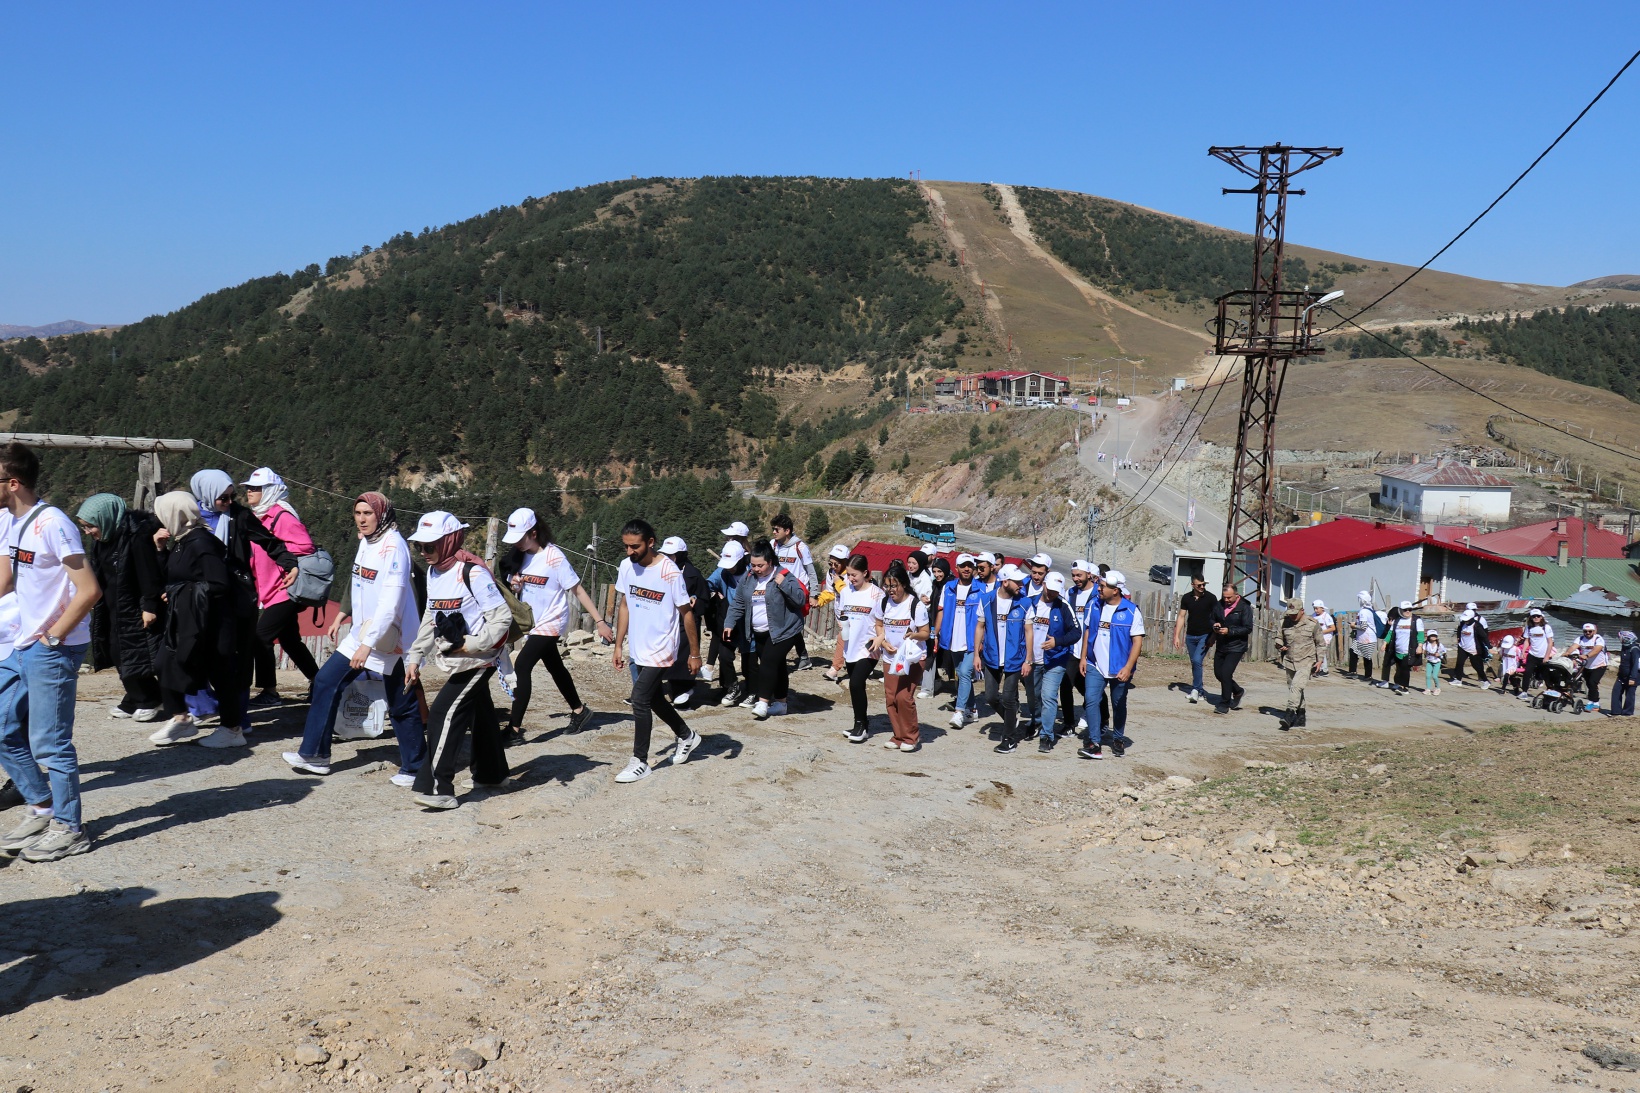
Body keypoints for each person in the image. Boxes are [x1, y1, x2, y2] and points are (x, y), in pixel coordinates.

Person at [0, 442, 103, 862]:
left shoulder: (53, 523)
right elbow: (8, 578)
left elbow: (90, 589)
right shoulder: (12, 520)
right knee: (4, 727)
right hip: (22, 643)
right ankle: (42, 807)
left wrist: (55, 636)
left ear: (13, 482)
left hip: (51, 647)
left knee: (50, 742)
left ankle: (69, 827)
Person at [286, 492, 426, 785]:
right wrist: (343, 615)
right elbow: (358, 581)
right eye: (357, 513)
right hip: (364, 632)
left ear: (382, 514)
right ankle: (315, 755)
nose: (361, 519)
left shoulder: (394, 548)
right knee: (325, 681)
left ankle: (416, 768)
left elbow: (391, 602)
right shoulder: (367, 542)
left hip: (393, 638)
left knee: (401, 703)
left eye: (368, 514)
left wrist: (367, 644)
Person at [400, 511, 513, 808]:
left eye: (430, 546)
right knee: (482, 713)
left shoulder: (472, 573)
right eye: (420, 547)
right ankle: (492, 774)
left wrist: (470, 645)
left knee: (442, 712)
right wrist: (415, 657)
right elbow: (431, 617)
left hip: (480, 659)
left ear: (449, 541)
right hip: (459, 658)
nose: (424, 553)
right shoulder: (434, 572)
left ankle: (437, 788)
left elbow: (501, 620)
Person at [189, 469, 298, 736]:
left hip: (235, 596)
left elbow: (268, 541)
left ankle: (238, 716)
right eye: (222, 498)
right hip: (200, 597)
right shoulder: (190, 518)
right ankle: (204, 706)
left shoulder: (239, 517)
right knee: (195, 652)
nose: (229, 502)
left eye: (231, 496)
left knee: (236, 658)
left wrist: (289, 563)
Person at [500, 507, 609, 742]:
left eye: (520, 538)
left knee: (522, 666)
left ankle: (514, 730)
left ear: (534, 533)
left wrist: (599, 621)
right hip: (532, 622)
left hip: (551, 621)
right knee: (555, 667)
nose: (517, 543)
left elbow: (577, 589)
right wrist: (515, 584)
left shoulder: (554, 557)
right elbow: (512, 583)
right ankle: (580, 711)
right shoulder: (517, 556)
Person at [148, 492, 247, 748]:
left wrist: (178, 594)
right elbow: (173, 578)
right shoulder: (182, 541)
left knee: (221, 673)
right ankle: (181, 719)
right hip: (191, 621)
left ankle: (233, 730)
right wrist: (160, 551)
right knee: (164, 663)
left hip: (212, 624)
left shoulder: (201, 543)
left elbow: (218, 584)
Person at [610, 519, 704, 782]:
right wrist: (618, 645)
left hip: (662, 647)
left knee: (639, 699)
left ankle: (640, 761)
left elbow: (687, 613)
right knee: (652, 699)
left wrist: (695, 654)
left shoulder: (669, 572)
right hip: (639, 646)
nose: (629, 552)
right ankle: (687, 736)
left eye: (635, 547)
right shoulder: (626, 567)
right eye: (626, 546)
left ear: (650, 543)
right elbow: (625, 605)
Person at [76, 493, 164, 722]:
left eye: (90, 526)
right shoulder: (104, 539)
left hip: (133, 605)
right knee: (116, 651)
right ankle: (135, 696)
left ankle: (149, 698)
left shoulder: (135, 537)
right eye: (84, 527)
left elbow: (148, 573)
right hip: (112, 604)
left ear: (105, 519)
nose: (88, 532)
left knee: (135, 653)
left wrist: (150, 606)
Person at [241, 468, 321, 706]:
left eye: (256, 488)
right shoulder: (260, 517)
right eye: (248, 487)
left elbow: (305, 546)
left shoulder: (281, 516)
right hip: (271, 589)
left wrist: (283, 559)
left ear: (269, 491)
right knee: (289, 641)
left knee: (260, 637)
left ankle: (270, 691)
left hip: (286, 589)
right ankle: (319, 681)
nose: (249, 491)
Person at [722, 538, 806, 721]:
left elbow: (800, 599)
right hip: (759, 631)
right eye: (753, 565)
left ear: (770, 562)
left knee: (768, 662)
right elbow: (738, 602)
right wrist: (729, 623)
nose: (756, 569)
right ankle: (781, 704)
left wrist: (783, 584)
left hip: (785, 630)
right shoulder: (748, 578)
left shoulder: (784, 574)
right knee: (778, 666)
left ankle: (763, 702)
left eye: (760, 565)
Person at [1079, 569, 1144, 758]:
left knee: (1118, 703)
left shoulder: (1131, 611)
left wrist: (1128, 667)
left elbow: (1137, 642)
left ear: (1115, 590)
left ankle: (1118, 738)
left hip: (1120, 667)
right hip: (1095, 664)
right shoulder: (1093, 605)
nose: (1099, 588)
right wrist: (1084, 657)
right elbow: (1088, 632)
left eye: (1103, 586)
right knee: (1091, 700)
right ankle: (1094, 743)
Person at [976, 564, 1030, 754]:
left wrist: (1028, 659)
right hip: (991, 656)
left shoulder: (1024, 602)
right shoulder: (987, 600)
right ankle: (1010, 720)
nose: (1021, 584)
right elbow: (980, 627)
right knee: (990, 696)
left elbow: (1028, 631)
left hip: (1015, 658)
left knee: (1008, 698)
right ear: (1005, 581)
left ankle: (1009, 739)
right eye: (1017, 581)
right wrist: (976, 654)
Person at [875, 561, 929, 751]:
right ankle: (898, 735)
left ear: (903, 584)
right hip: (890, 658)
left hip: (912, 658)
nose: (890, 590)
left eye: (894, 585)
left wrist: (913, 635)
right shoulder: (883, 602)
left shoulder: (916, 605)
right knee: (891, 697)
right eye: (887, 586)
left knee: (903, 697)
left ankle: (911, 737)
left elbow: (925, 632)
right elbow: (879, 624)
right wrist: (883, 642)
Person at [834, 555, 884, 743]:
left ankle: (861, 726)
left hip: (869, 647)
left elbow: (884, 619)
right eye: (848, 575)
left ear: (865, 573)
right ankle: (860, 724)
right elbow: (841, 613)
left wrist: (880, 637)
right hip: (850, 646)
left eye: (854, 575)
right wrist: (842, 623)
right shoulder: (846, 592)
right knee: (857, 688)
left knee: (855, 683)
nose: (851, 578)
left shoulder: (877, 594)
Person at [1028, 572, 1080, 751]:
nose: (1051, 594)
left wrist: (1057, 642)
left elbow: (1076, 632)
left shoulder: (1064, 606)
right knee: (1034, 696)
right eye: (1049, 590)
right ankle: (1037, 722)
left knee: (1049, 696)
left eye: (1056, 592)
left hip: (1055, 660)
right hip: (1033, 659)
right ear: (1043, 585)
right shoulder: (1030, 602)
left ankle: (1046, 736)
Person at [659, 537, 709, 709]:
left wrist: (696, 602)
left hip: (686, 622)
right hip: (666, 620)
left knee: (684, 655)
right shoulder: (660, 570)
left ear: (680, 555)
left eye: (671, 555)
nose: (666, 557)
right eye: (664, 554)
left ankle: (685, 691)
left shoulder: (693, 574)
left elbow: (704, 597)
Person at [937, 553, 983, 729]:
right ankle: (972, 709)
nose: (966, 569)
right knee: (961, 674)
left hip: (973, 640)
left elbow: (984, 618)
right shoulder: (948, 587)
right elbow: (941, 611)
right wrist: (936, 633)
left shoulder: (981, 589)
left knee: (964, 673)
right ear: (956, 568)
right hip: (953, 638)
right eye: (963, 565)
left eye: (969, 566)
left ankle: (959, 712)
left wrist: (982, 641)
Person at [770, 513, 819, 669]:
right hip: (777, 591)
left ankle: (801, 656)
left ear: (787, 530)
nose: (774, 532)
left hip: (795, 592)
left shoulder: (800, 547)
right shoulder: (773, 545)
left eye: (777, 529)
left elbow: (811, 572)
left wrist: (814, 594)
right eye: (773, 529)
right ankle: (801, 656)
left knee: (793, 624)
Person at [709, 542, 754, 708]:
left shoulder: (752, 571)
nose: (730, 569)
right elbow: (709, 583)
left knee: (749, 659)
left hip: (750, 621)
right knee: (725, 655)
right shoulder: (722, 572)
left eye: (733, 565)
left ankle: (753, 691)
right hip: (731, 621)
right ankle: (733, 686)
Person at [1275, 596, 1323, 730]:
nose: (1292, 617)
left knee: (1297, 686)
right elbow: (1278, 638)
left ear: (1302, 610)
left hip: (1307, 660)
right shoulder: (1284, 622)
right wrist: (1280, 645)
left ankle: (1289, 715)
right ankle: (1301, 715)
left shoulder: (1312, 623)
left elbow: (1320, 644)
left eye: (1294, 614)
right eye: (1290, 614)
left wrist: (1319, 661)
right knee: (1294, 688)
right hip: (1290, 661)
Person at [1066, 561, 1100, 737]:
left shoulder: (1098, 593)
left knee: (1093, 688)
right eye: (1073, 575)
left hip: (1091, 650)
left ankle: (1102, 719)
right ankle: (1068, 724)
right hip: (1072, 649)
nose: (1075, 579)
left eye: (1079, 575)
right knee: (1066, 684)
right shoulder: (1070, 593)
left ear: (1088, 574)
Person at [1171, 574, 1216, 703]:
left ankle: (1195, 690)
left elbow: (1217, 617)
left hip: (1205, 635)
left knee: (1197, 661)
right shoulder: (1186, 598)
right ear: (1193, 585)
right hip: (1190, 636)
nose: (1202, 587)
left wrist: (1213, 636)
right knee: (1195, 663)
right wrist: (1177, 636)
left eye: (1204, 585)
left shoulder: (1211, 598)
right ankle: (1200, 692)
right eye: (1199, 585)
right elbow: (1181, 617)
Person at [1208, 581, 1252, 714]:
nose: (1226, 600)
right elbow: (1211, 618)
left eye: (1229, 597)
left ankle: (1224, 703)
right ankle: (1238, 691)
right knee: (1218, 674)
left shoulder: (1244, 607)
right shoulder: (1219, 604)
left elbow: (1247, 628)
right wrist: (1214, 625)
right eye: (1224, 597)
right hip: (1222, 644)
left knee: (1226, 673)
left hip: (1236, 646)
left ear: (1236, 595)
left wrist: (1230, 631)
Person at [816, 543, 851, 682]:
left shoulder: (851, 574)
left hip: (851, 613)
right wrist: (819, 601)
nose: (833, 565)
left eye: (837, 562)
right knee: (848, 639)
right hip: (839, 612)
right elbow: (831, 593)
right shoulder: (831, 572)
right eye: (831, 562)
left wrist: (838, 581)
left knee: (842, 638)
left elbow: (848, 594)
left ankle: (835, 669)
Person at [922, 554, 951, 699]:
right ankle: (928, 688)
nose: (937, 574)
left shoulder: (950, 585)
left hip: (947, 626)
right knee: (931, 653)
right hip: (934, 624)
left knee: (951, 658)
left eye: (940, 571)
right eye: (934, 572)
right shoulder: (936, 584)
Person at [1382, 601, 1422, 694]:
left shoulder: (1416, 621)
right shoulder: (1397, 621)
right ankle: (1399, 684)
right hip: (1397, 650)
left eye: (1410, 609)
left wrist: (1420, 646)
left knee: (1405, 668)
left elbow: (1420, 635)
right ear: (1400, 610)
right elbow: (1390, 633)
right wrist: (1384, 643)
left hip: (1409, 650)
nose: (1408, 611)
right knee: (1399, 668)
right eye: (1405, 610)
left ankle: (1404, 688)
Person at [1451, 609, 1491, 688]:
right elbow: (1459, 630)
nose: (1466, 621)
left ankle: (1485, 680)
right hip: (1462, 646)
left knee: (1476, 665)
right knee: (1459, 663)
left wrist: (1489, 647)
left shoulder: (1477, 626)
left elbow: (1484, 636)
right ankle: (1458, 679)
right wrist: (1458, 638)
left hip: (1473, 649)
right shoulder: (1462, 623)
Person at [1520, 609, 1554, 696]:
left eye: (1538, 616)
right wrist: (1523, 651)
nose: (1536, 618)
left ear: (1541, 617)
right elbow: (1527, 640)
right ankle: (1524, 691)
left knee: (1546, 674)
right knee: (1527, 673)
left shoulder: (1546, 627)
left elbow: (1550, 642)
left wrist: (1547, 656)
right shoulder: (1529, 627)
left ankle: (1550, 690)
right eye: (1534, 616)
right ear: (1531, 618)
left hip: (1543, 655)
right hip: (1532, 654)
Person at [1575, 623, 1608, 713]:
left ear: (1594, 631)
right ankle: (1596, 702)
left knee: (1592, 682)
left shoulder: (1598, 639)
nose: (1588, 633)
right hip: (1587, 665)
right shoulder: (1580, 638)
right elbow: (1573, 646)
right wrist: (1566, 653)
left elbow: (1597, 649)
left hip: (1600, 665)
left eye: (1590, 631)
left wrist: (1587, 655)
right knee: (1590, 685)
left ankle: (1591, 702)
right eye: (1585, 631)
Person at [1349, 591, 1380, 682]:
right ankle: (1353, 671)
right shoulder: (1368, 610)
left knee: (1367, 656)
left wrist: (1353, 626)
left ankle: (1368, 676)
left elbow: (1363, 626)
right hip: (1363, 637)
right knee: (1353, 651)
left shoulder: (1363, 612)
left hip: (1367, 638)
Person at [1610, 631, 1638, 717]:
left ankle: (1627, 713)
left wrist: (1632, 678)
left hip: (1632, 676)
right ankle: (1616, 711)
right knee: (1616, 691)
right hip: (1621, 675)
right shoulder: (1624, 647)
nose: (1620, 640)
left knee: (1629, 694)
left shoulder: (1634, 649)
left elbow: (1636, 664)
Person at [1311, 599, 1336, 676]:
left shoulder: (1326, 616)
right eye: (1314, 608)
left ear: (1322, 608)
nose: (1316, 610)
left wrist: (1321, 632)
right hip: (1316, 637)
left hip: (1325, 638)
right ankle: (1317, 668)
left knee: (1321, 652)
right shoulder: (1313, 616)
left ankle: (1324, 670)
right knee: (1316, 652)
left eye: (1317, 608)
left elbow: (1332, 628)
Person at [1421, 630, 1447, 695]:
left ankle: (1437, 688)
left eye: (1435, 636)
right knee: (1428, 675)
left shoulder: (1439, 645)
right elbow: (1423, 650)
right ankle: (1428, 689)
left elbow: (1444, 651)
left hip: (1437, 662)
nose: (1433, 637)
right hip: (1429, 661)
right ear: (1428, 637)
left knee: (1434, 676)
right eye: (1431, 636)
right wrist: (1426, 652)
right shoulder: (1426, 644)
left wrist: (1439, 654)